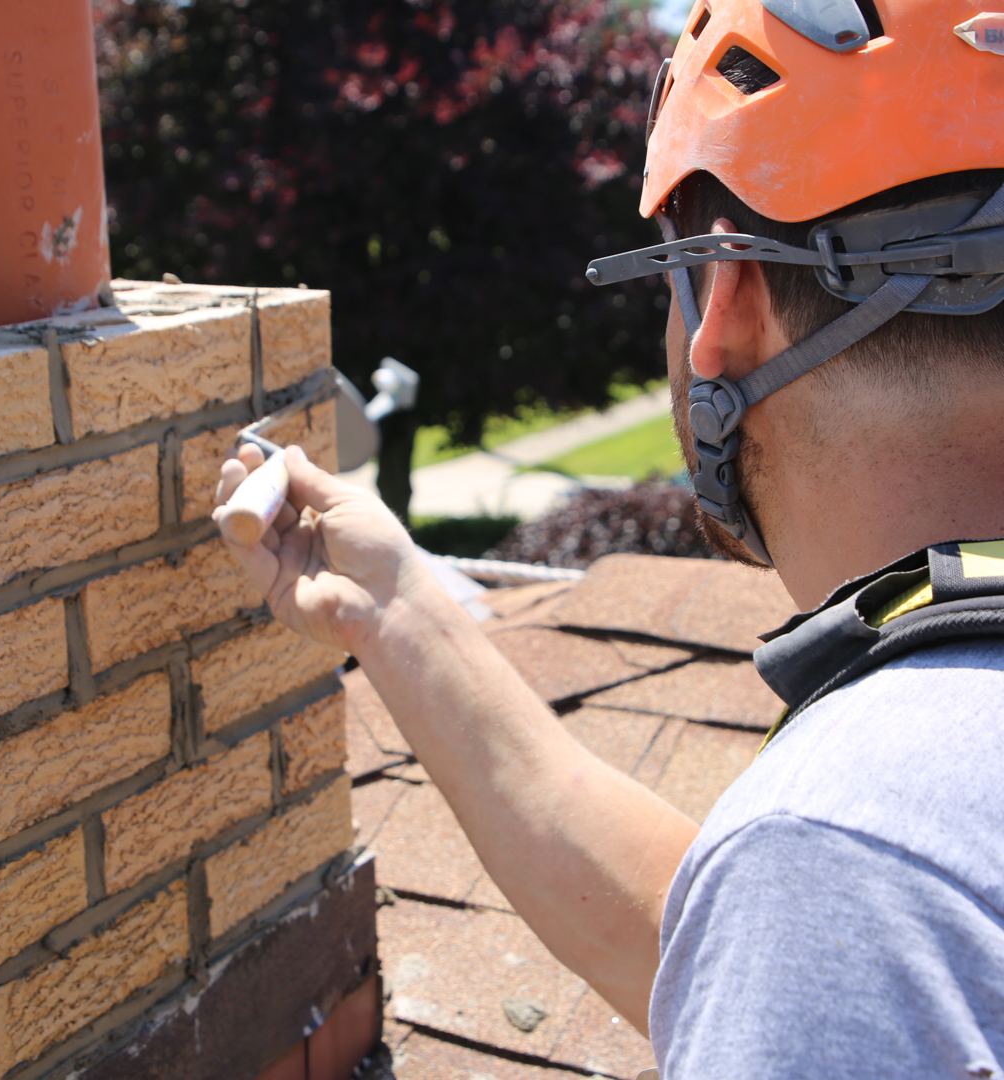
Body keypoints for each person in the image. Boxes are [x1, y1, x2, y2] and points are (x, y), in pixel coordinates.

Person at [215, 0, 1004, 1073]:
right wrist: (395, 611)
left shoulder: (847, 863)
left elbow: (822, 929)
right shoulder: (885, 874)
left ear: (726, 297)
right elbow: (727, 963)